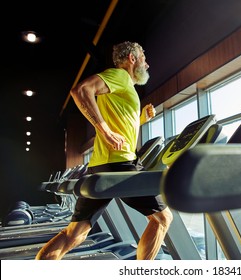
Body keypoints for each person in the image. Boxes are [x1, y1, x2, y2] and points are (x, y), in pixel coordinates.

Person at [36, 41, 173, 260]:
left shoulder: (123, 87)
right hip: (120, 164)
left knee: (75, 234)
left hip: (102, 164)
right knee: (163, 219)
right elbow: (80, 90)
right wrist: (105, 130)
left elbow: (122, 127)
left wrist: (140, 120)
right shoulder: (119, 76)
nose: (147, 65)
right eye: (144, 60)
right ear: (132, 58)